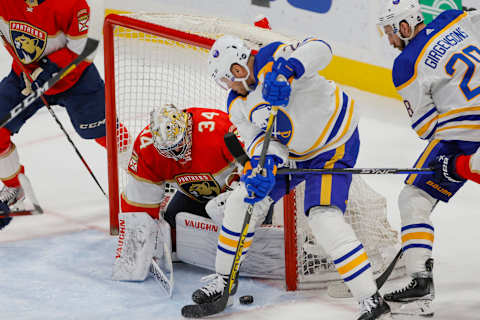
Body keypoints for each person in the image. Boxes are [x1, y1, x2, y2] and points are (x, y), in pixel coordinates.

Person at [187, 35, 391, 320]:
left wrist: (286, 70)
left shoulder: (273, 55)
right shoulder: (237, 103)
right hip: (293, 155)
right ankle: (224, 280)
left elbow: (322, 47)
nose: (227, 86)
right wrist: (266, 164)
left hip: (333, 144)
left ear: (238, 69)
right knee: (242, 201)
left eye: (226, 79)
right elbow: (257, 139)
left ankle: (370, 299)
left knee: (323, 217)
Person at [377, 0, 480, 316]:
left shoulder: (406, 62)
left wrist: (455, 164)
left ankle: (420, 280)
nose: (389, 40)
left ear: (405, 27)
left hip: (462, 136)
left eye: (390, 32)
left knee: (414, 197)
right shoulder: (455, 18)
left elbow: (426, 128)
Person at [0, 0, 113, 224]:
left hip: (75, 80)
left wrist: (50, 69)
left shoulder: (71, 3)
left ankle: (148, 175)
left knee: (106, 134)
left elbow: (85, 50)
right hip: (26, 76)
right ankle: (15, 187)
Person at [112, 104, 242, 281]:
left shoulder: (218, 127)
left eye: (179, 145)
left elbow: (256, 163)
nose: (176, 154)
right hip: (195, 196)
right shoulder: (146, 148)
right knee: (173, 234)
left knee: (244, 221)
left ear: (187, 128)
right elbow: (138, 205)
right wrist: (139, 248)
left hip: (236, 192)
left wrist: (240, 193)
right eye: (168, 150)